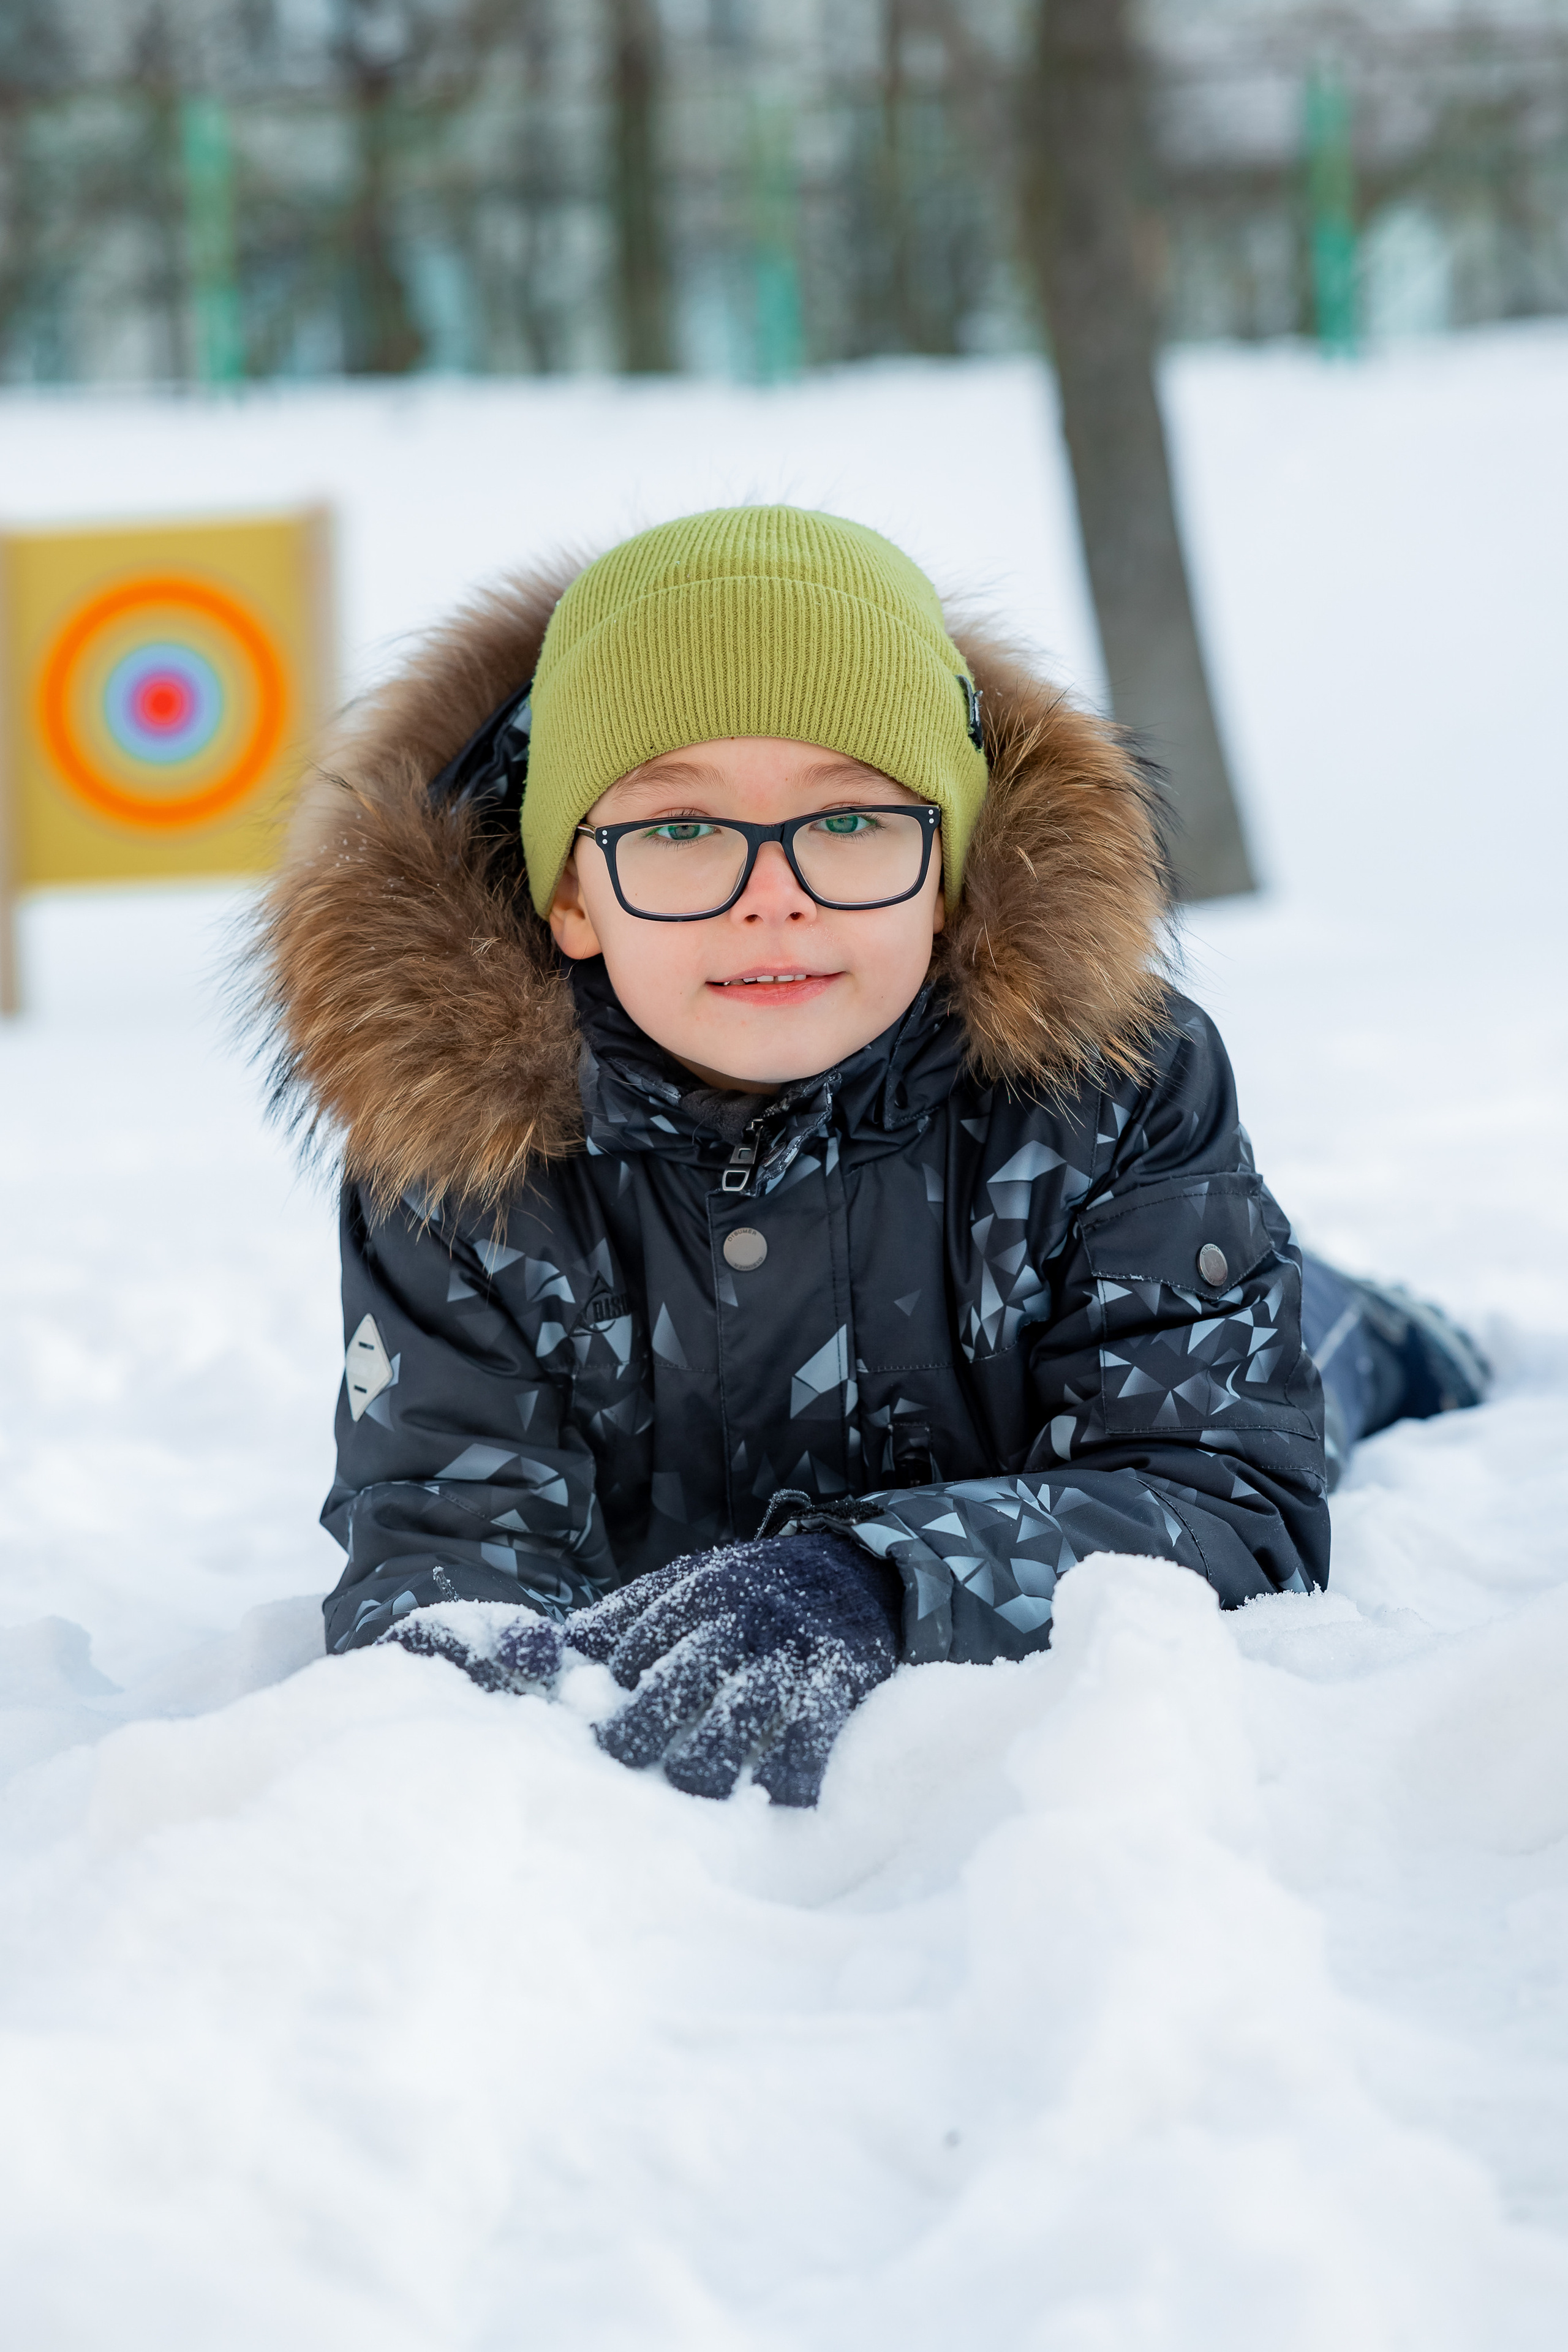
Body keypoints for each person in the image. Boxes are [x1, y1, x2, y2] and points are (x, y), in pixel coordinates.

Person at [252, 506, 1488, 1806]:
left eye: (849, 823)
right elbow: (442, 1538)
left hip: (1143, 1380)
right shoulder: (465, 1157)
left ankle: (1394, 1331)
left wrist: (874, 1580)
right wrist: (463, 1696)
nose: (767, 892)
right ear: (569, 894)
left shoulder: (1109, 1088)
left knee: (1308, 1339)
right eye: (677, 832)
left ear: (946, 869)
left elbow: (1224, 1492)